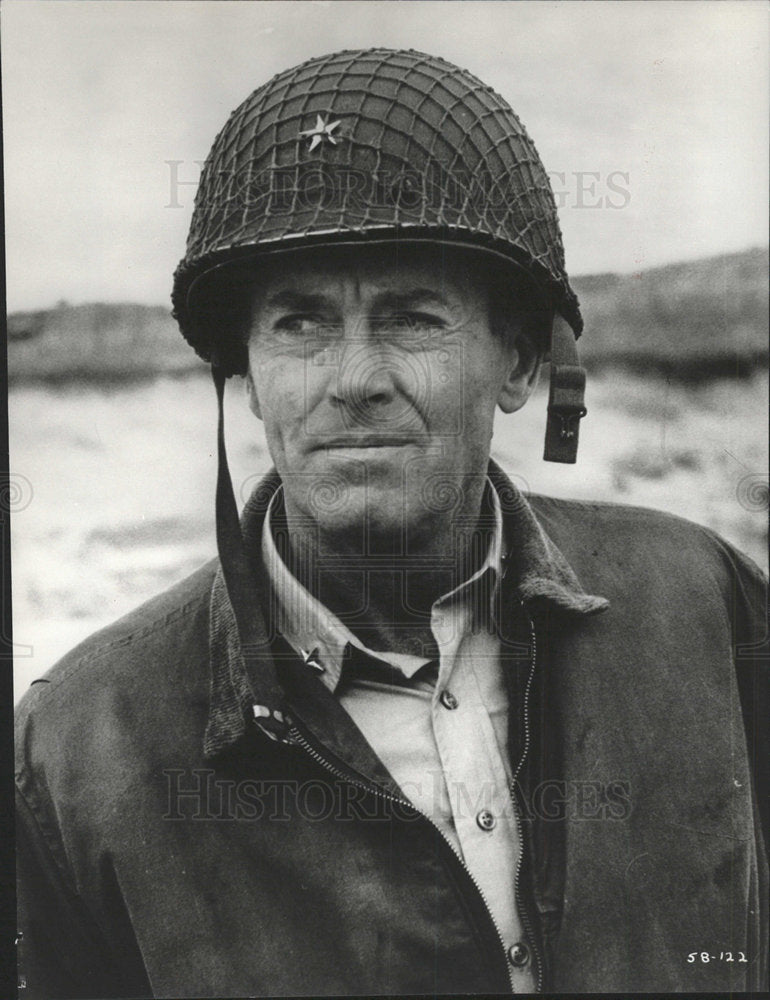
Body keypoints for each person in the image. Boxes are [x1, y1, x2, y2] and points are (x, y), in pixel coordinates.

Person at [15, 48, 768, 996]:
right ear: (244, 377)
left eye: (414, 317)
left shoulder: (700, 604)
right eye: (300, 323)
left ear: (522, 366)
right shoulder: (85, 745)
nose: (355, 379)